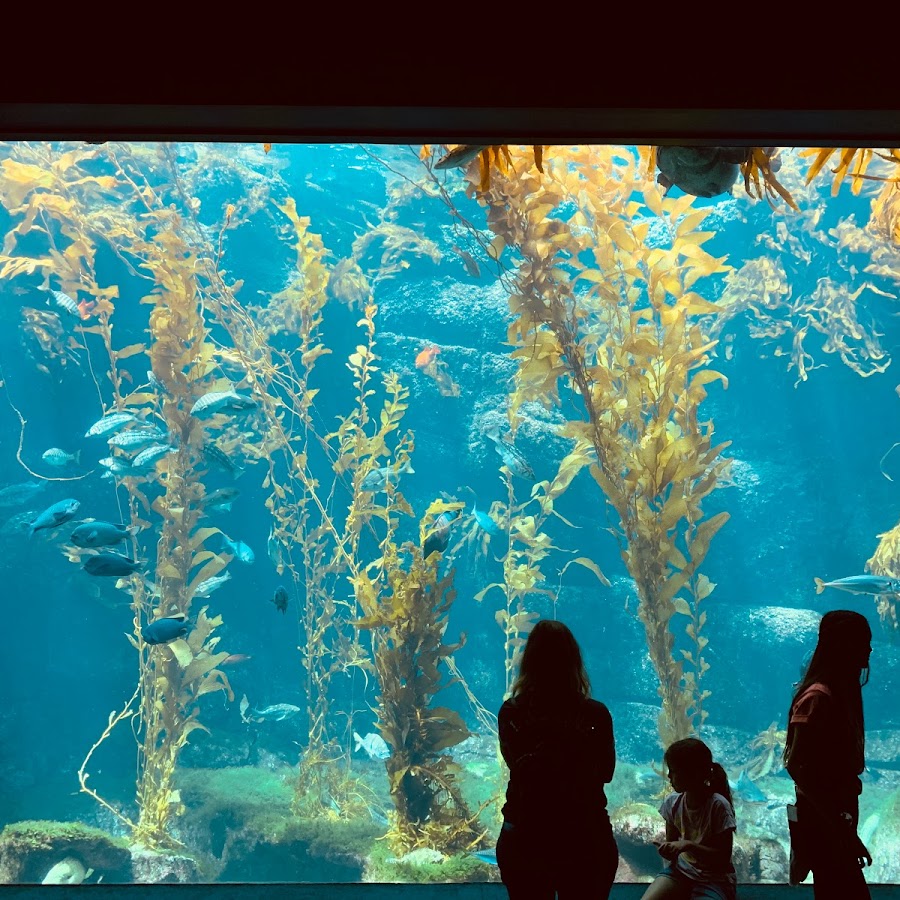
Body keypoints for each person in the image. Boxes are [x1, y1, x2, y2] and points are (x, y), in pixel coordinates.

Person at [496, 619, 618, 899]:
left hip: (526, 834)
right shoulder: (594, 715)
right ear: (574, 660)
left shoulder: (512, 713)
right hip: (585, 836)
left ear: (528, 661)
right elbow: (606, 772)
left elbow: (520, 767)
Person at [783, 609, 873, 899]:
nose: (869, 650)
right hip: (825, 827)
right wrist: (842, 831)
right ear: (843, 645)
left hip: (835, 823)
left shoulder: (839, 693)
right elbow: (799, 767)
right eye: (862, 642)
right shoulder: (818, 698)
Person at [641, 737, 737, 900]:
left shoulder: (718, 806)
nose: (669, 776)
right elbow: (672, 845)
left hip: (715, 879)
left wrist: (688, 845)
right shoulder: (672, 803)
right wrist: (668, 849)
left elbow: (722, 858)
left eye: (675, 771)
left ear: (695, 773)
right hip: (681, 871)